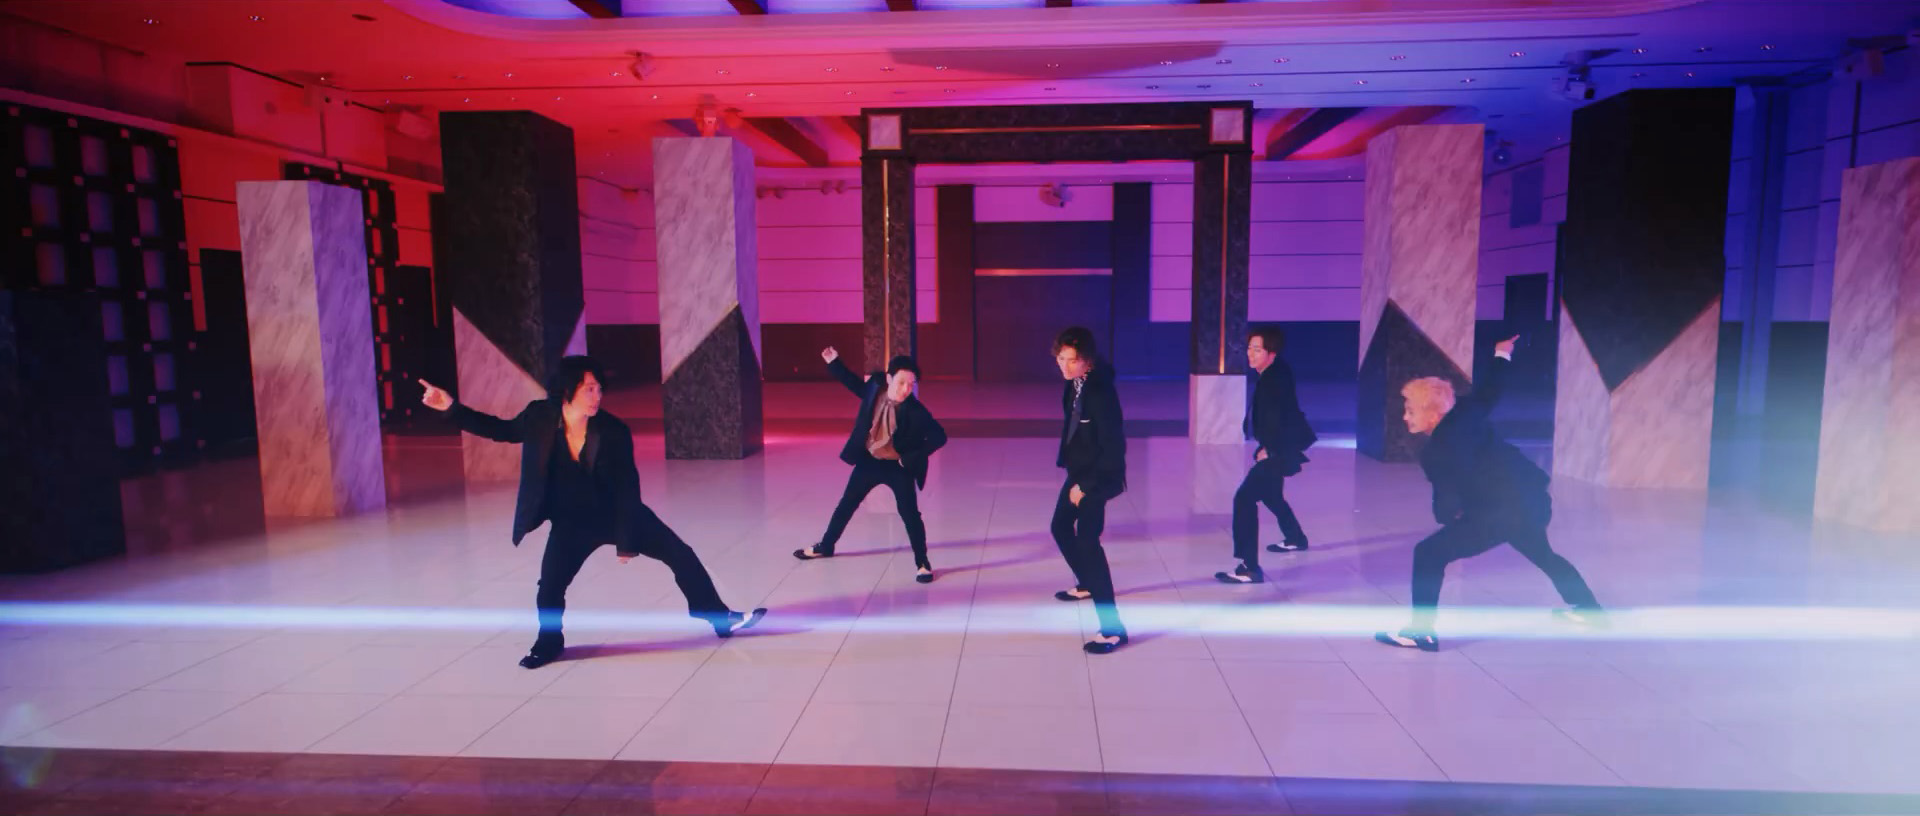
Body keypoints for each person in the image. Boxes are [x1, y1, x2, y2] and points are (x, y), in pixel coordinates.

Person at [419, 357, 765, 669]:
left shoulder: (613, 430)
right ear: (567, 390)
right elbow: (501, 430)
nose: (597, 396)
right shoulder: (540, 417)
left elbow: (628, 488)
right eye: (589, 389)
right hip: (570, 522)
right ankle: (549, 642)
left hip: (615, 513)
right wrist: (451, 408)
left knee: (680, 553)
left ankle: (718, 616)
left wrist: (626, 541)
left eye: (600, 389)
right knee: (550, 586)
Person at [1375, 336, 1603, 652]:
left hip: (1499, 513)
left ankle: (1421, 632)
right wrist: (1501, 353)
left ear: (1433, 415)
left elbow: (1446, 506)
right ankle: (1590, 610)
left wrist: (1450, 517)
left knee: (1428, 553)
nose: (1405, 416)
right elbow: (1490, 390)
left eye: (1411, 411)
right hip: (1532, 501)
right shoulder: (1465, 411)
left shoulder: (1436, 451)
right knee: (1543, 553)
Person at [793, 348, 948, 583]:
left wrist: (913, 457)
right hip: (870, 460)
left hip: (898, 466)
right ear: (889, 378)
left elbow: (939, 436)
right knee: (847, 504)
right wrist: (834, 362)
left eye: (911, 384)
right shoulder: (875, 390)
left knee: (910, 514)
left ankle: (922, 563)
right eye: (901, 382)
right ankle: (826, 546)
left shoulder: (916, 411)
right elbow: (853, 383)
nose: (906, 389)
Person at [1048, 327, 1130, 654]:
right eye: (1061, 359)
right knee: (1059, 526)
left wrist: (1087, 486)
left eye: (1072, 360)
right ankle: (1087, 582)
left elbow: (1113, 447)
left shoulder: (1101, 392)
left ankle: (1113, 628)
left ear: (1088, 361)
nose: (1065, 366)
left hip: (1099, 477)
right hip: (1080, 473)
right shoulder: (1074, 384)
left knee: (1088, 541)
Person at [1216, 326, 1317, 584]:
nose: (1250, 354)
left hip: (1277, 451)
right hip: (1277, 448)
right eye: (1249, 348)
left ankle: (1248, 567)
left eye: (1257, 349)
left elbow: (1281, 419)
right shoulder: (1274, 372)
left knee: (1243, 499)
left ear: (1272, 353)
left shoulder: (1274, 379)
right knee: (1272, 495)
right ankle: (1295, 537)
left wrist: (1270, 450)